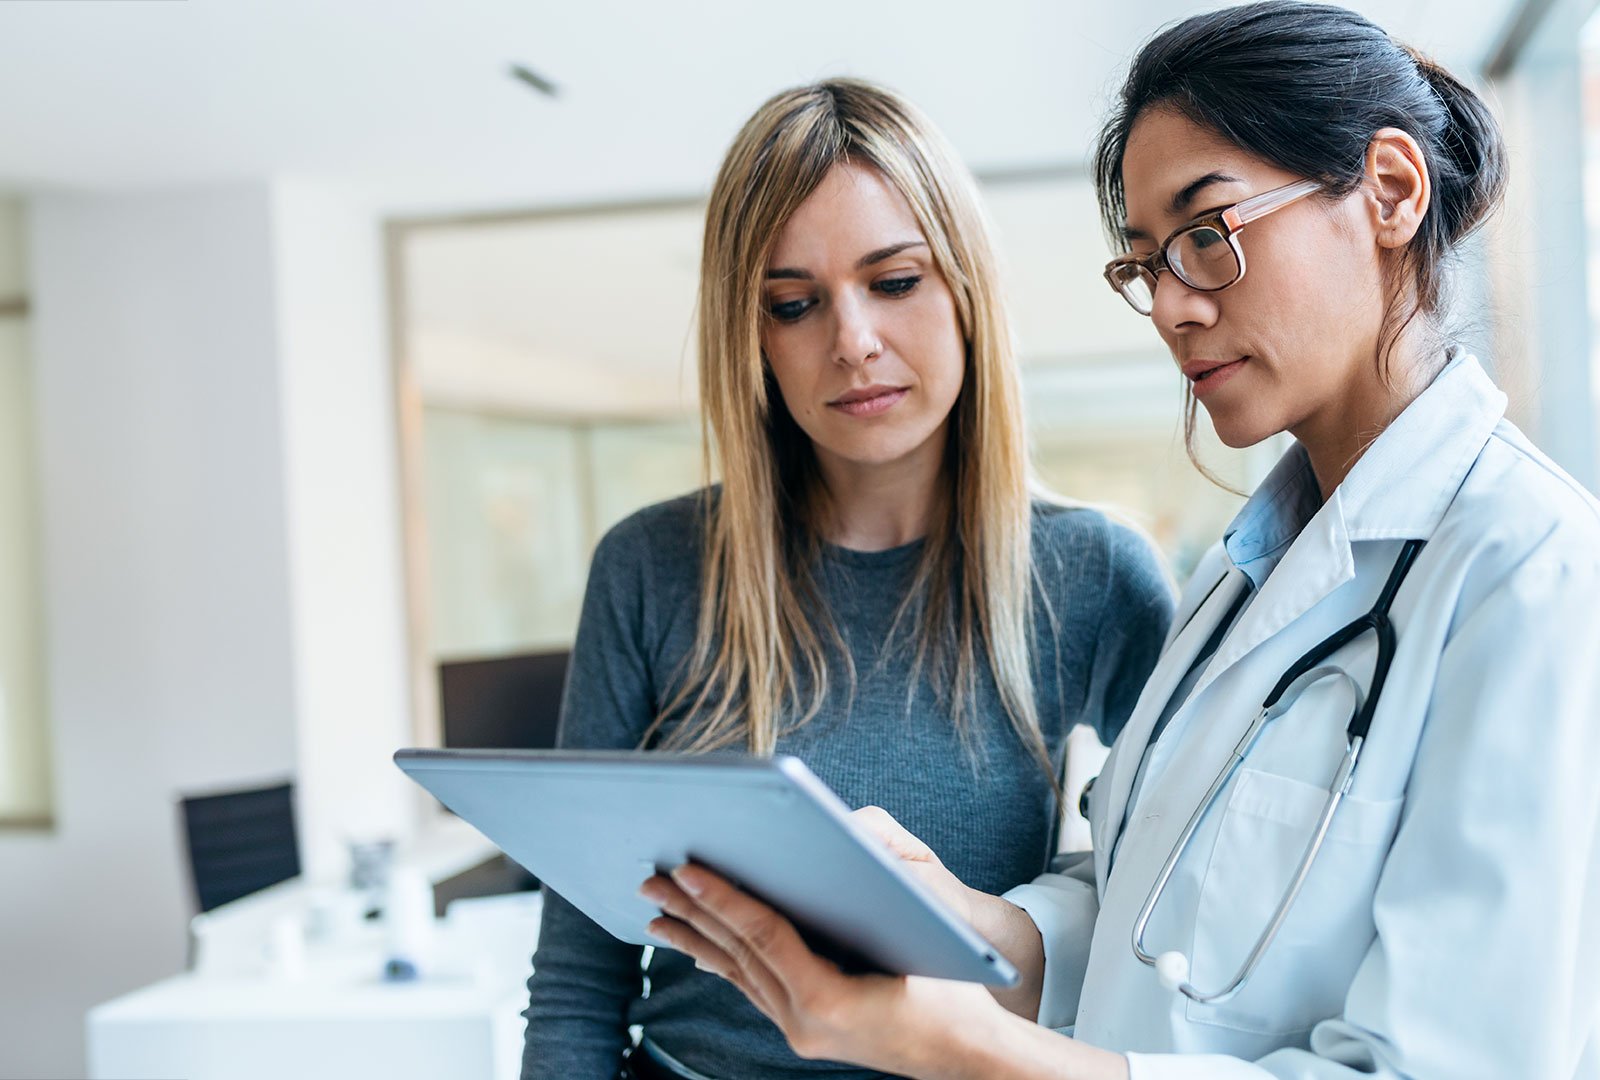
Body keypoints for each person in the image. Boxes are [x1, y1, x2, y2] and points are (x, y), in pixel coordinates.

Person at [640, 4, 1600, 1078]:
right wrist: (969, 921)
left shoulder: (1530, 574)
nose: (1171, 308)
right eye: (1147, 264)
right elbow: (1151, 917)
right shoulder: (1245, 576)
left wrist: (952, 1046)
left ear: (1389, 190)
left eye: (1206, 236)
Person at [522, 78, 1175, 1080]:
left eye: (896, 281)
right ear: (755, 337)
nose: (852, 341)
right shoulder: (651, 569)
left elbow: (1167, 910)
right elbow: (578, 978)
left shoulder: (1092, 573)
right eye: (793, 303)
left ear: (964, 288)